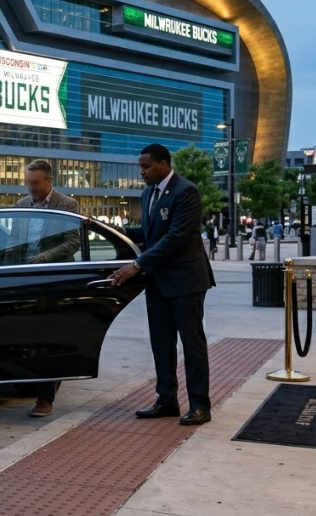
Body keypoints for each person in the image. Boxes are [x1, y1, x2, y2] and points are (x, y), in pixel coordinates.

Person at [110, 143, 215, 426]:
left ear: (163, 164)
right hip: (158, 283)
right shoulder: (147, 194)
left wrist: (137, 265)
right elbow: (149, 233)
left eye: (146, 166)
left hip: (185, 282)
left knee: (192, 345)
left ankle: (200, 405)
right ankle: (166, 399)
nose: (141, 172)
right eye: (140, 167)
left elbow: (175, 238)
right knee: (161, 344)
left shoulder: (186, 191)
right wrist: (109, 230)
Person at [15, 159, 81, 418]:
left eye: (35, 183)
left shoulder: (67, 205)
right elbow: (13, 241)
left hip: (54, 278)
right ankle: (34, 384)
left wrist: (45, 257)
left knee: (48, 337)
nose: (30, 187)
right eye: (28, 182)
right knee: (28, 336)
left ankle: (45, 398)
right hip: (26, 279)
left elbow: (73, 241)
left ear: (49, 181)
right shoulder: (21, 205)